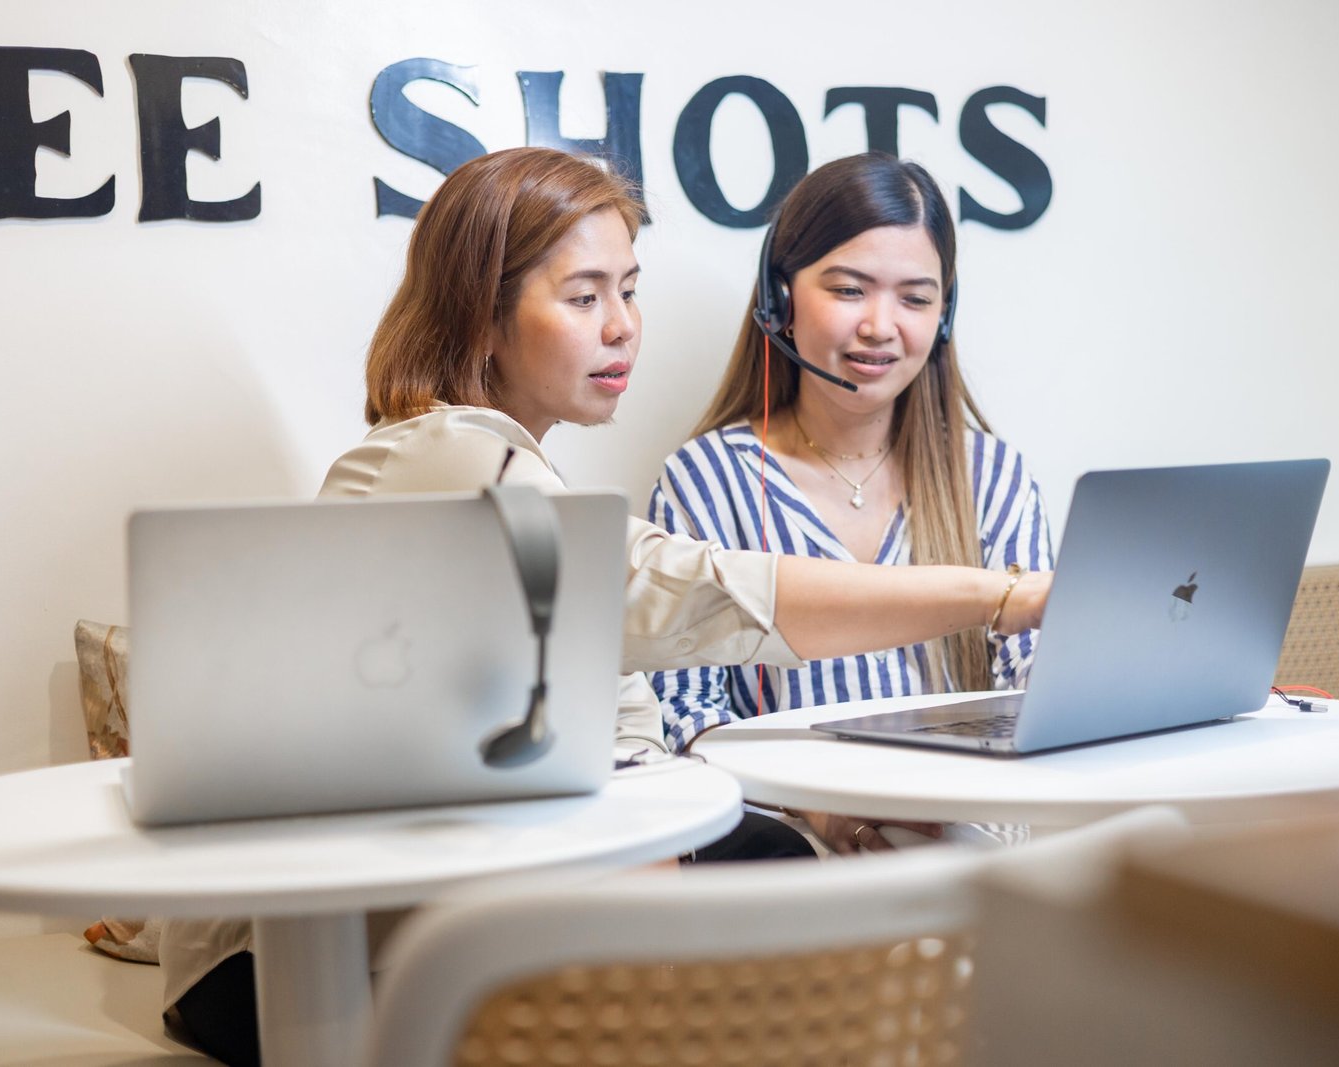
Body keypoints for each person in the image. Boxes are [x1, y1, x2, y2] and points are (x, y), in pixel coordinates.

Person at [158, 146, 1051, 1065]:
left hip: (404, 921)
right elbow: (672, 589)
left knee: (763, 869)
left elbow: (623, 734)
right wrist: (997, 594)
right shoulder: (448, 454)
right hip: (284, 964)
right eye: (584, 297)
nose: (623, 326)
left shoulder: (513, 465)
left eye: (629, 290)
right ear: (482, 316)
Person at [649, 152, 1054, 854]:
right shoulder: (706, 479)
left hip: (977, 860)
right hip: (793, 862)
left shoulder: (991, 474)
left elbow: (1039, 681)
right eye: (848, 290)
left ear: (945, 315)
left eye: (915, 298)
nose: (880, 326)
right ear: (779, 300)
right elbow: (679, 714)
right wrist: (822, 807)